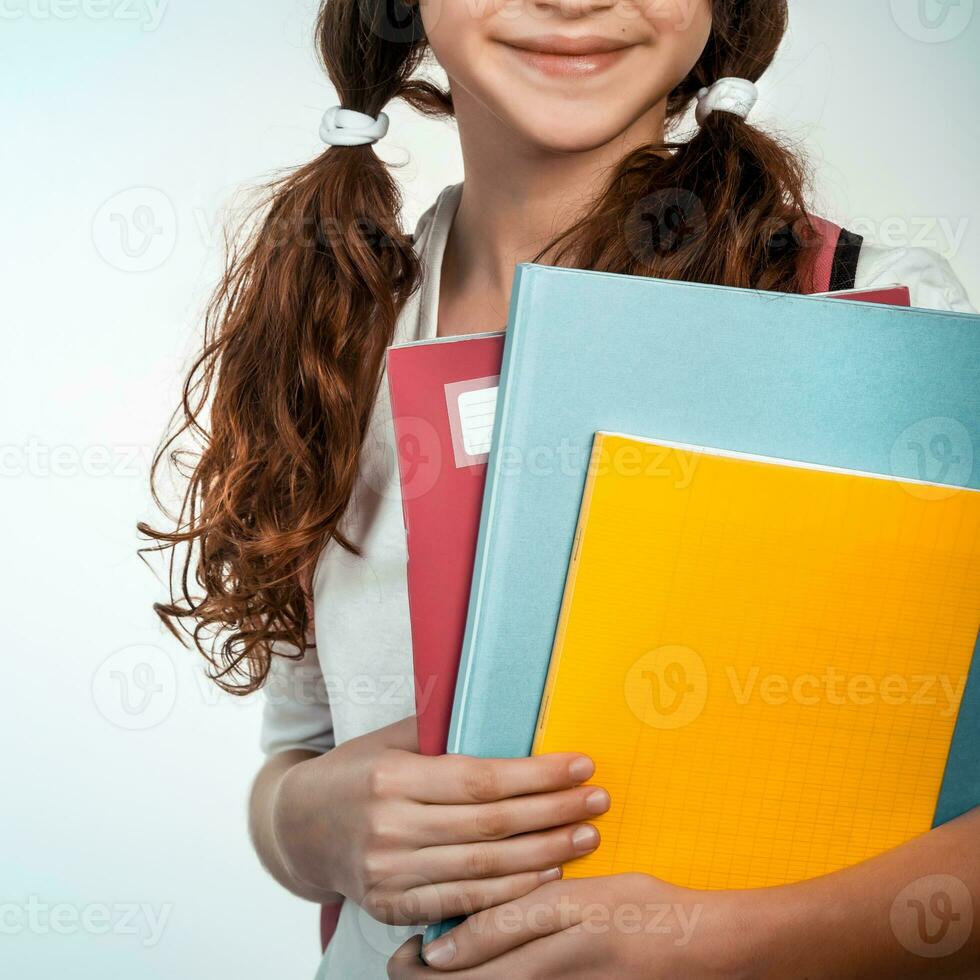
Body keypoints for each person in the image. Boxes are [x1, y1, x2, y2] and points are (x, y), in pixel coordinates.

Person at [142, 0, 977, 976]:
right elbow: (295, 753)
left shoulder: (879, 317)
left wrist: (718, 944)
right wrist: (306, 823)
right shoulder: (330, 325)